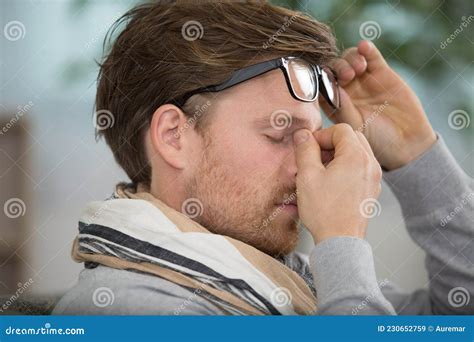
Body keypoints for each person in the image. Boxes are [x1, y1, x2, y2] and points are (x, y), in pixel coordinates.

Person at [53, 0, 473, 315]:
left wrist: (415, 155)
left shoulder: (287, 279)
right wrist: (341, 240)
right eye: (279, 134)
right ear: (174, 136)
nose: (308, 166)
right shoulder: (129, 309)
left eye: (312, 138)